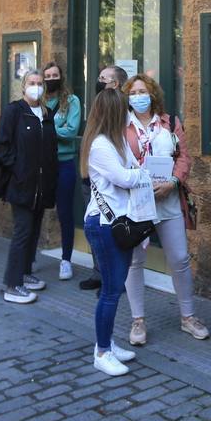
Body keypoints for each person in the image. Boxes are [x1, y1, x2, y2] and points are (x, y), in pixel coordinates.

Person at [122, 73, 209, 345]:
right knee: (135, 261)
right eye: (134, 92)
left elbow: (184, 156)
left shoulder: (171, 123)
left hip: (168, 201)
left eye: (143, 90)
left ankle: (188, 316)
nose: (139, 96)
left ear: (153, 94)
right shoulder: (121, 125)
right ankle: (138, 320)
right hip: (136, 204)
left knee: (180, 259)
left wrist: (173, 181)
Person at [83, 85, 147, 376]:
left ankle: (106, 340)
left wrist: (140, 174)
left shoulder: (117, 141)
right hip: (104, 224)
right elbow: (124, 177)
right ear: (114, 113)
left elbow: (134, 169)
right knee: (110, 290)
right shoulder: (100, 145)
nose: (129, 114)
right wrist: (143, 175)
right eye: (125, 110)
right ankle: (102, 352)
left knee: (115, 287)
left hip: (118, 223)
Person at [0, 71, 58, 299]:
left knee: (34, 231)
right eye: (32, 83)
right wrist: (18, 168)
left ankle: (26, 272)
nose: (36, 87)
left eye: (40, 83)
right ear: (23, 87)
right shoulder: (14, 111)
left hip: (42, 186)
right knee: (22, 232)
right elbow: (0, 145)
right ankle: (12, 284)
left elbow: (50, 148)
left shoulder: (47, 113)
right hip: (21, 185)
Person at [79, 64, 129, 291]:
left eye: (103, 78)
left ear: (116, 84)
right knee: (97, 227)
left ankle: (111, 278)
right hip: (94, 176)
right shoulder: (99, 103)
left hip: (114, 183)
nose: (99, 82)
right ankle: (100, 273)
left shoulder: (120, 109)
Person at [42, 62, 83, 282]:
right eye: (47, 75)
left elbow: (71, 131)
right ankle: (28, 257)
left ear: (61, 77)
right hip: (41, 163)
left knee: (65, 213)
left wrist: (45, 128)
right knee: (36, 209)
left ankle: (66, 259)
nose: (51, 79)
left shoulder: (72, 101)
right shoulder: (38, 101)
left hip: (64, 162)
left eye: (54, 75)